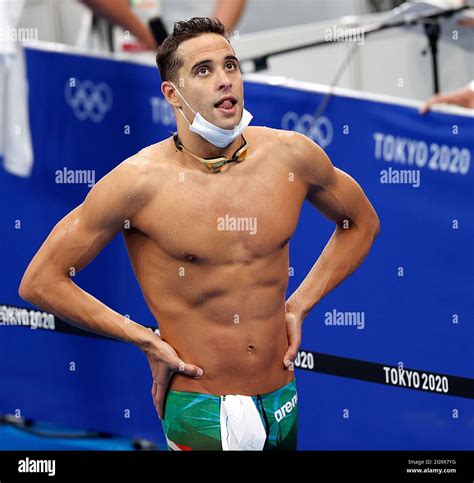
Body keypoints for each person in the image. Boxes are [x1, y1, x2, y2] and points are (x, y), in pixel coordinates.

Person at [19, 17, 380, 451]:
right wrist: (144, 339)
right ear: (172, 94)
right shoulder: (137, 184)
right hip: (200, 406)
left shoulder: (292, 156)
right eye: (203, 70)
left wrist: (299, 305)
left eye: (231, 65)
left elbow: (360, 222)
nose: (224, 80)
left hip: (282, 397)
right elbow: (41, 280)